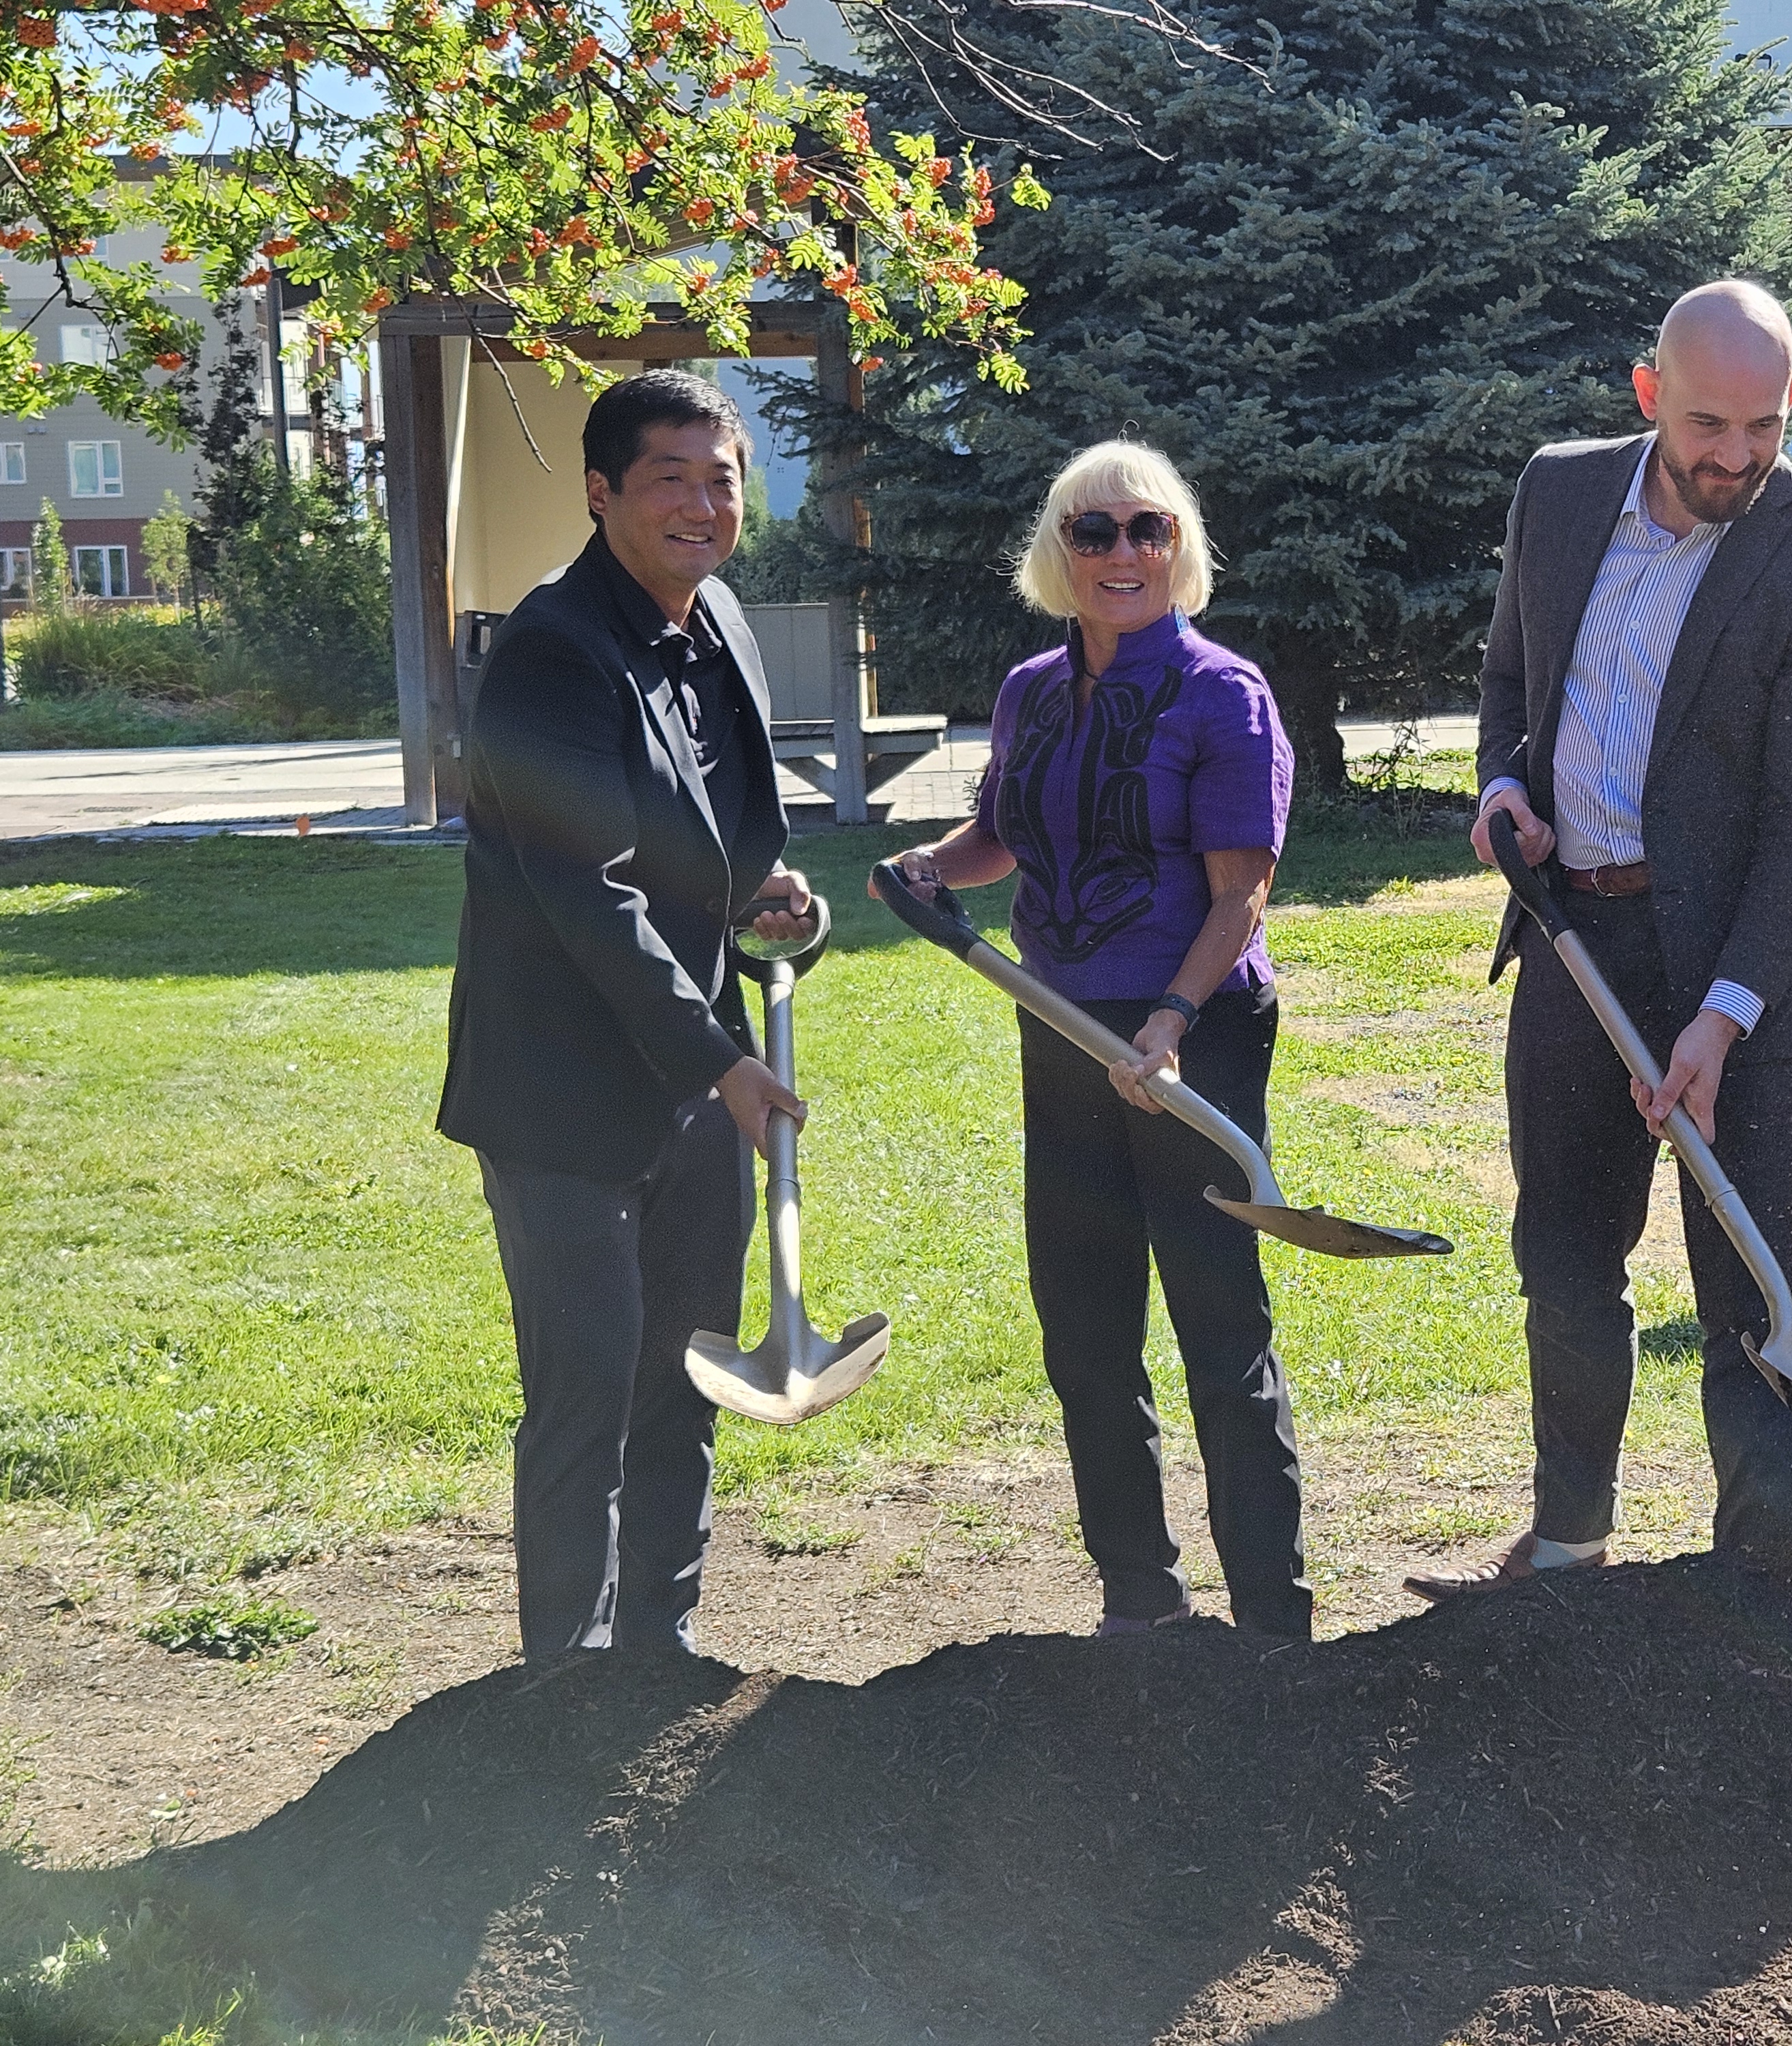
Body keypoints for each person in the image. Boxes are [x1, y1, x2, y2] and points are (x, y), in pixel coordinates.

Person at [1405, 280, 1792, 1601]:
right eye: (1704, 425)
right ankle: (1568, 1548)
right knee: (1563, 1261)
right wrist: (1503, 787)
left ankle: (1755, 1594)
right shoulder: (1559, 495)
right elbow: (1514, 680)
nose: (1734, 455)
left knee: (1744, 1297)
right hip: (1572, 943)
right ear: (1645, 397)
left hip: (1734, 972)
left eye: (1762, 425)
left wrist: (1719, 1020)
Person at [873, 441, 1307, 1639]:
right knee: (1085, 1320)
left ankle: (1275, 1620)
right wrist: (925, 869)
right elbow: (997, 837)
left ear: (1182, 547)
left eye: (1147, 529)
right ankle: (1141, 1599)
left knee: (1219, 1322)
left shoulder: (1226, 695)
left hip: (1195, 1030)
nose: (1122, 552)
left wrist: (1169, 1023)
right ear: (1058, 553)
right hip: (1059, 1024)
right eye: (1093, 531)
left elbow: (1241, 895)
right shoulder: (1031, 691)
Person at [439, 369, 816, 1657]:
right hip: (562, 1096)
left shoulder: (721, 627)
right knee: (588, 1396)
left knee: (683, 1384)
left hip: (690, 1085)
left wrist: (761, 891)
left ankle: (660, 1657)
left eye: (724, 480)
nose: (705, 506)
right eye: (672, 478)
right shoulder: (555, 653)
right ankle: (568, 1691)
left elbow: (704, 836)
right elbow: (581, 890)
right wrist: (721, 1061)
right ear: (601, 493)